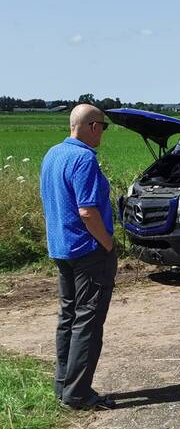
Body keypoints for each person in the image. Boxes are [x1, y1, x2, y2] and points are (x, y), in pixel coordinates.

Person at [39, 104, 118, 411]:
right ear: (93, 127)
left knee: (68, 317)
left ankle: (63, 386)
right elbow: (87, 210)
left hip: (61, 247)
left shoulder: (53, 154)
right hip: (88, 250)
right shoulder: (84, 159)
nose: (102, 133)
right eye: (103, 126)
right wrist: (107, 242)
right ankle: (79, 394)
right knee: (88, 321)